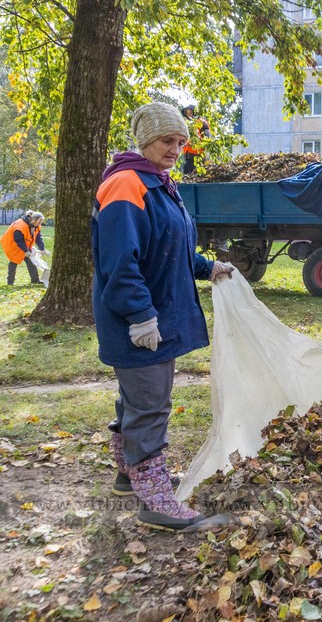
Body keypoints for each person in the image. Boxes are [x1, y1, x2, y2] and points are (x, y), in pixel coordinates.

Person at [93, 101, 235, 532]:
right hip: (137, 316)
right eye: (167, 141)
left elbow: (168, 245)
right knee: (151, 402)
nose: (176, 149)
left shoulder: (158, 182)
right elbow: (119, 260)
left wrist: (206, 267)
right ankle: (154, 499)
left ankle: (129, 476)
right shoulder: (125, 184)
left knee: (135, 398)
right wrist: (139, 315)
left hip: (157, 311)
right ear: (145, 141)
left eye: (180, 142)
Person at [0, 210, 47, 286]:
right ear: (34, 220)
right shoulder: (20, 226)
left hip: (25, 245)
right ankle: (10, 282)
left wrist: (42, 249)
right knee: (13, 262)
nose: (40, 223)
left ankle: (35, 280)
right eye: (39, 221)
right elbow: (19, 240)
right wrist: (26, 251)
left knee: (31, 261)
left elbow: (38, 238)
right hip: (13, 245)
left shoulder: (36, 226)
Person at [180, 104, 211, 176]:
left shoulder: (202, 123)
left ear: (195, 113)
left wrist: (197, 143)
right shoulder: (187, 125)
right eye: (187, 114)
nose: (189, 115)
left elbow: (207, 139)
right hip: (188, 155)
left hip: (198, 155)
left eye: (190, 113)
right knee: (188, 172)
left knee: (187, 170)